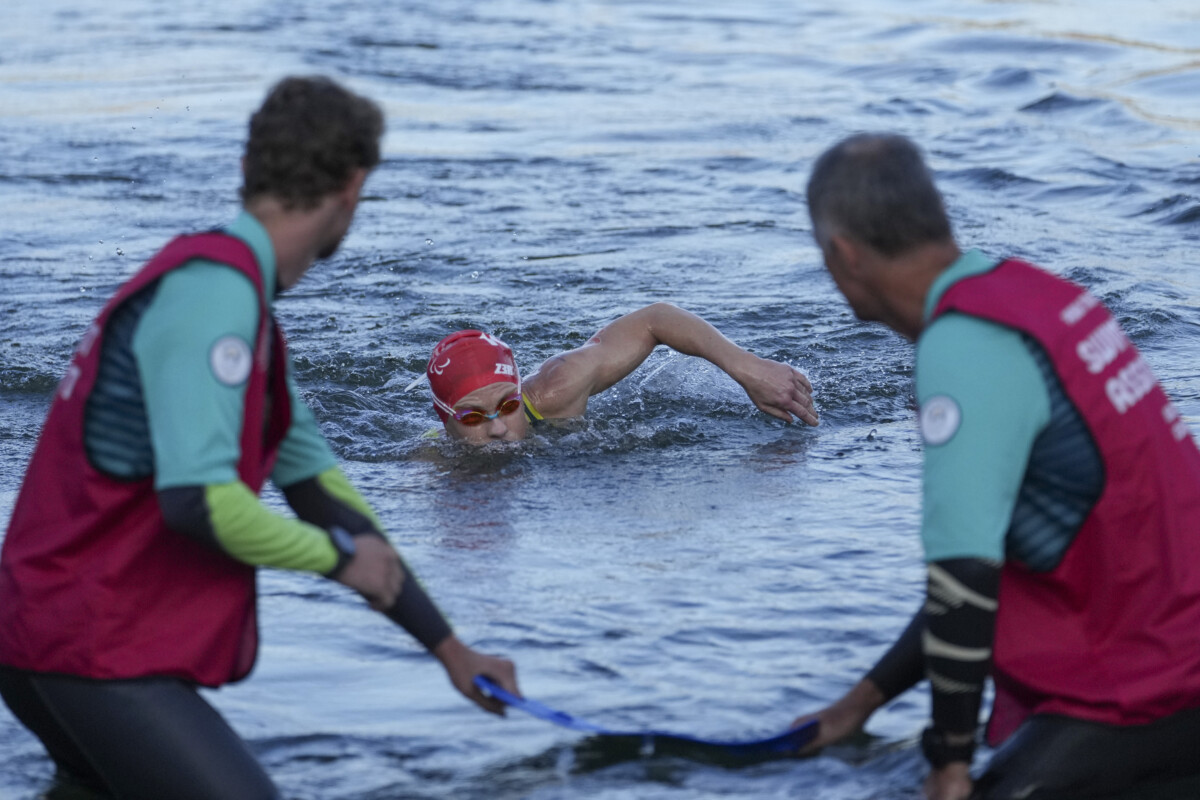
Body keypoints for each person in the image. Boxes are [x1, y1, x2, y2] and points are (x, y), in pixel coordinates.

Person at [0, 76, 518, 800]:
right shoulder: (216, 298)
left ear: (248, 172)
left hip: (39, 625)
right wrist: (339, 560)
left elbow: (320, 490)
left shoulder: (230, 301)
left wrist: (449, 647)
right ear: (353, 188)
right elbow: (199, 504)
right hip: (90, 639)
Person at [793, 133, 1200, 800]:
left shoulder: (963, 348)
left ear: (842, 255)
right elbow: (983, 569)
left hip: (1158, 677)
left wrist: (949, 764)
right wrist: (858, 705)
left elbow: (964, 574)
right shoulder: (1035, 296)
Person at [419, 304, 819, 444]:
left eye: (508, 405)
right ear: (445, 420)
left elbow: (655, 319)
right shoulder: (430, 465)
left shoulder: (556, 390)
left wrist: (748, 368)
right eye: (473, 417)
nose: (499, 429)